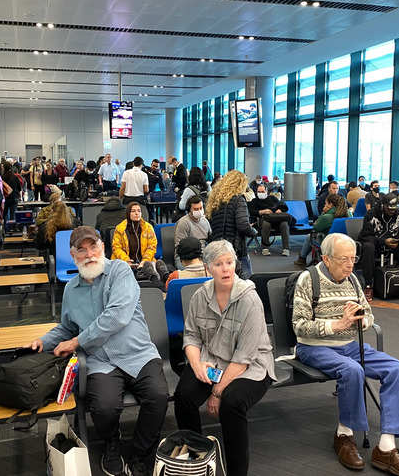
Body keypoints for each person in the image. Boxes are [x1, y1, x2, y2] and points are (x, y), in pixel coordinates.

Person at [29, 226, 167, 476]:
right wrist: (44, 341)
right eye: (82, 250)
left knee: (157, 397)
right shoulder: (71, 289)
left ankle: (140, 453)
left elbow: (117, 317)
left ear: (102, 247)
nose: (90, 254)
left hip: (138, 354)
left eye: (94, 247)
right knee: (103, 407)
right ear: (73, 256)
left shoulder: (120, 271)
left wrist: (75, 342)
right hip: (101, 361)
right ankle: (111, 444)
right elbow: (67, 327)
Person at [292, 233, 399, 476]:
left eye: (353, 258)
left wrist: (361, 319)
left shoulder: (352, 279)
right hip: (313, 346)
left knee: (397, 368)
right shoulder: (308, 279)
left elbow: (370, 317)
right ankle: (344, 434)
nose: (350, 265)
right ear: (326, 258)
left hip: (350, 345)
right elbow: (299, 326)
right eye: (344, 259)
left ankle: (386, 447)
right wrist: (338, 325)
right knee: (353, 370)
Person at [174, 239, 275, 476]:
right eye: (218, 264)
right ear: (208, 268)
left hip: (251, 366)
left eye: (229, 262)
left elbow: (244, 356)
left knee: (232, 403)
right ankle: (194, 458)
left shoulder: (249, 299)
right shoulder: (200, 296)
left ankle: (237, 472)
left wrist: (216, 393)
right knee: (183, 397)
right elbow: (190, 336)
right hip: (213, 360)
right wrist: (196, 364)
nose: (226, 268)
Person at [205, 170, 258, 279]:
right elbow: (243, 225)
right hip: (235, 248)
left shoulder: (215, 200)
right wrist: (253, 231)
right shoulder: (239, 200)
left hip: (217, 246)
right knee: (246, 283)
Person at [111, 202, 166, 282]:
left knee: (155, 267)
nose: (137, 213)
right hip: (124, 261)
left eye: (139, 211)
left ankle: (164, 278)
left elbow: (152, 246)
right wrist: (126, 260)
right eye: (133, 211)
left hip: (144, 261)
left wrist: (144, 261)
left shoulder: (148, 227)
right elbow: (116, 248)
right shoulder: (120, 228)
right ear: (128, 213)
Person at [296, 193, 350, 267]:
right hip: (346, 243)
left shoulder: (327, 217)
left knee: (309, 237)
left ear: (330, 204)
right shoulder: (349, 214)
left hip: (329, 244)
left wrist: (323, 213)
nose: (324, 205)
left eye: (326, 203)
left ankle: (302, 259)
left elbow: (316, 227)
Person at [249, 183, 291, 257]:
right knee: (266, 223)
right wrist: (261, 212)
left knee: (284, 223)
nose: (260, 193)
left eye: (262, 192)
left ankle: (286, 248)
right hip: (263, 220)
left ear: (266, 191)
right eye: (259, 192)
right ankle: (265, 248)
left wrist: (279, 210)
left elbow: (283, 206)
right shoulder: (254, 201)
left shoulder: (272, 198)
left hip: (276, 219)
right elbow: (251, 211)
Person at [173, 196, 211, 269]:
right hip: (186, 256)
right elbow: (179, 246)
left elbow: (211, 239)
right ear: (189, 210)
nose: (199, 211)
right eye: (196, 209)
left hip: (203, 255)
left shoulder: (205, 221)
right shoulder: (183, 223)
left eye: (201, 208)